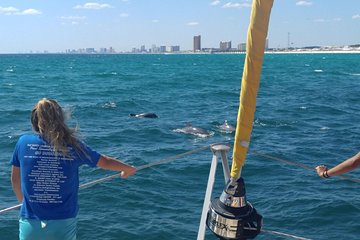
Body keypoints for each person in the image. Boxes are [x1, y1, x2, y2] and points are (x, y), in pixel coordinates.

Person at [10, 98, 137, 240]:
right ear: (61, 118)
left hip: (30, 222)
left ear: (34, 121)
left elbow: (15, 180)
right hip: (63, 222)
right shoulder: (73, 146)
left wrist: (24, 204)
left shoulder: (23, 142)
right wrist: (128, 169)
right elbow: (104, 161)